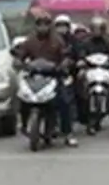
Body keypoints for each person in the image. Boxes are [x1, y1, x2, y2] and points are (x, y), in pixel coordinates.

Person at [12, 8, 77, 147]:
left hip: (53, 75)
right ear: (36, 26)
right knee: (22, 97)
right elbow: (21, 54)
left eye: (46, 24)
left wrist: (64, 64)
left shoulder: (57, 40)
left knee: (64, 101)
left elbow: (65, 55)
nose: (43, 27)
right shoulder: (30, 40)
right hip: (34, 75)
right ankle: (23, 123)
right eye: (40, 24)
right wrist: (18, 61)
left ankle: (68, 133)